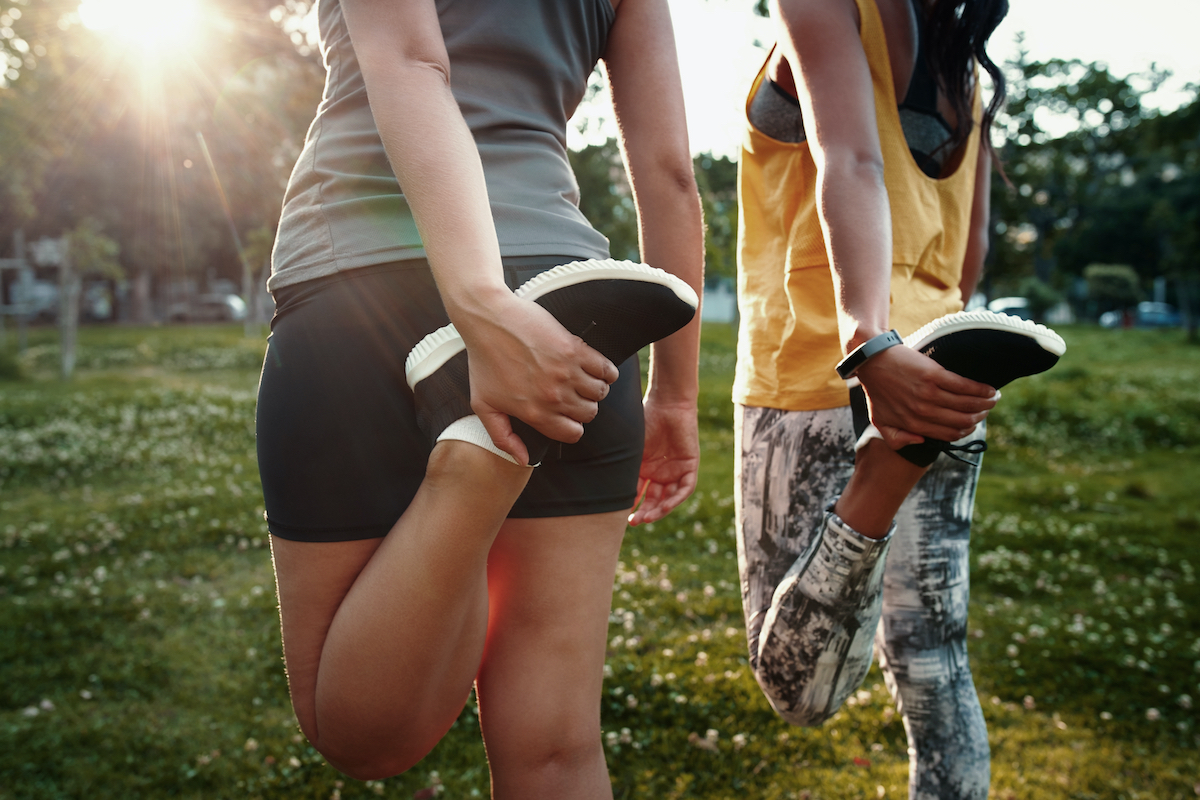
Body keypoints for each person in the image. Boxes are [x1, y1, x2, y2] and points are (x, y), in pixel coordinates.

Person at [254, 0, 704, 794]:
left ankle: (478, 465)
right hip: (572, 311)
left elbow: (411, 61)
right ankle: (498, 448)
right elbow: (669, 170)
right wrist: (674, 396)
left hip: (366, 281)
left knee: (363, 741)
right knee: (557, 747)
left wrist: (481, 306)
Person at [733, 0, 1063, 797]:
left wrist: (868, 343)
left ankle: (875, 484)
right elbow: (973, 250)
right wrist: (920, 346)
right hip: (945, 378)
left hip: (829, 371)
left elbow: (853, 160)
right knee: (937, 670)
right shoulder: (964, 69)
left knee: (796, 686)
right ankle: (885, 473)